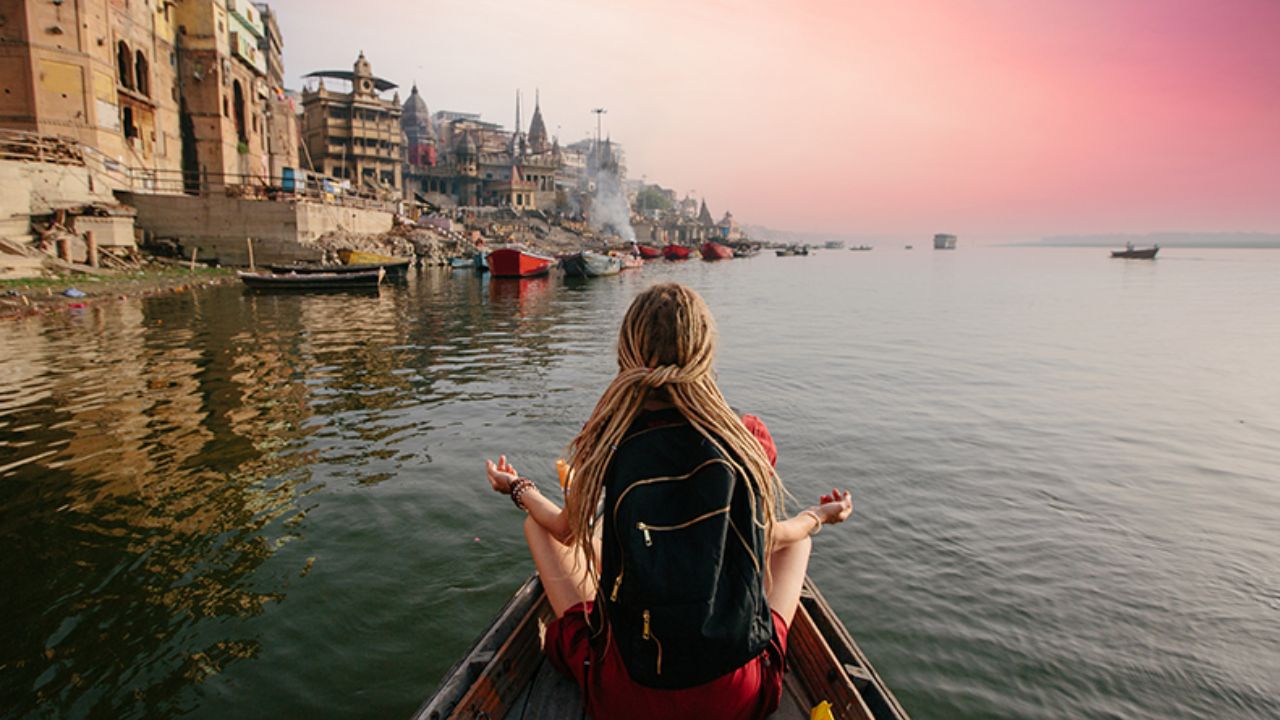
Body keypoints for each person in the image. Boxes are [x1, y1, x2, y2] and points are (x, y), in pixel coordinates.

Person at [484, 282, 853, 720]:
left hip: (630, 698)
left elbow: (565, 530)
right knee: (799, 542)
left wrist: (519, 489)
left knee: (538, 528)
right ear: (704, 352)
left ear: (627, 352)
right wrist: (819, 516)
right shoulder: (747, 436)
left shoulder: (605, 436)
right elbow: (769, 536)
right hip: (735, 697)